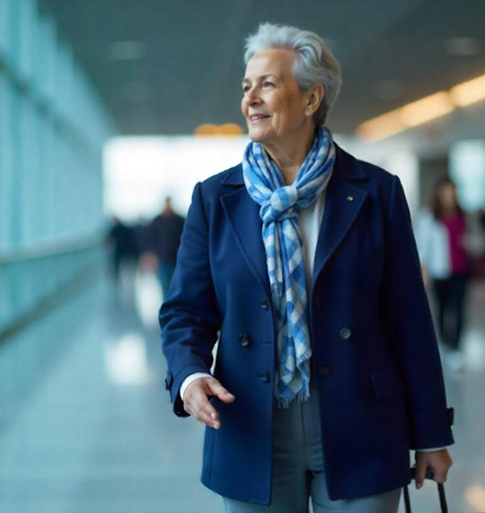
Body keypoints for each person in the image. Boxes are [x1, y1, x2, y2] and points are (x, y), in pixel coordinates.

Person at [160, 23, 453, 512]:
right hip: (252, 421)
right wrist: (190, 376)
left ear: (312, 98)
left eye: (267, 84)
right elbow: (184, 311)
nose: (250, 98)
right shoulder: (215, 199)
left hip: (360, 420)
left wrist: (430, 433)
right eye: (246, 86)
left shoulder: (377, 192)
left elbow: (409, 320)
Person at [414, 177, 483, 372]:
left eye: (452, 192)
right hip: (439, 271)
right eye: (445, 193)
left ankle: (456, 348)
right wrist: (424, 270)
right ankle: (444, 343)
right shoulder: (428, 216)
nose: (449, 197)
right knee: (443, 309)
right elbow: (422, 246)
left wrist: (471, 243)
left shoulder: (465, 215)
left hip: (461, 270)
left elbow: (479, 241)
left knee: (459, 308)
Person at [144, 197, 185, 298]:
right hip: (162, 259)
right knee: (164, 285)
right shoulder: (157, 221)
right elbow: (151, 239)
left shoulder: (179, 220)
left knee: (177, 285)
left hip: (177, 259)